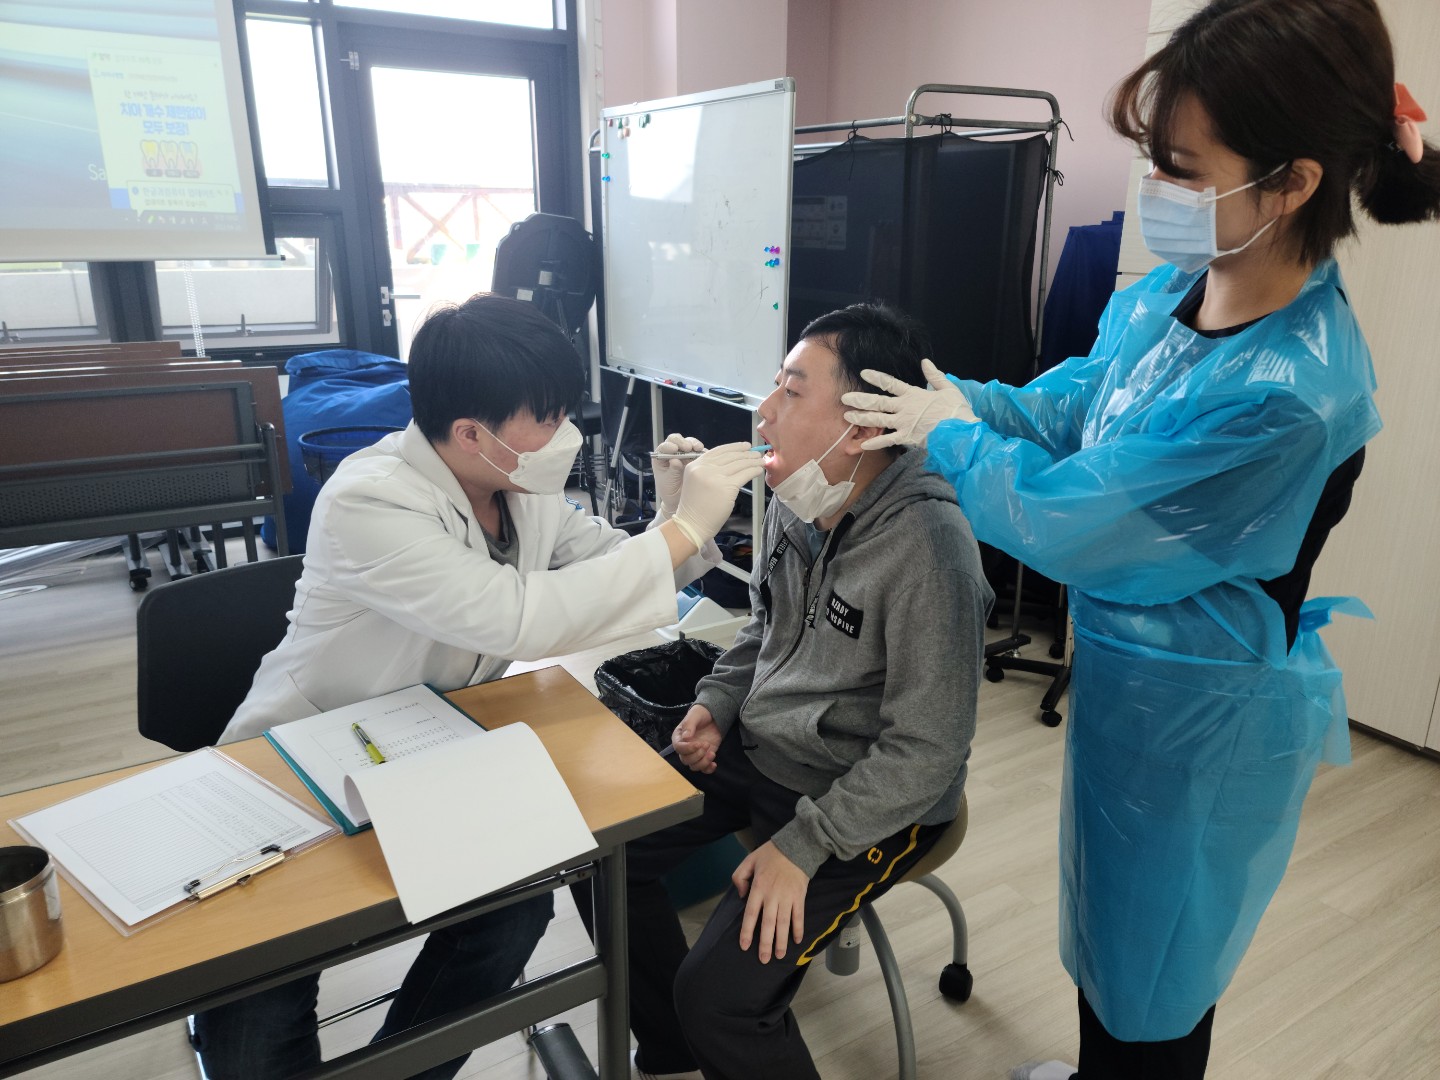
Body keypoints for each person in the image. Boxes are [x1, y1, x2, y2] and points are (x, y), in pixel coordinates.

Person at [840, 2, 1440, 1077]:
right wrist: (958, 399)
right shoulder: (1177, 292)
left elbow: (1076, 519)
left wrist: (953, 439)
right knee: (1105, 935)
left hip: (1199, 721)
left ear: (1292, 183)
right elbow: (1080, 410)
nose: (1156, 186)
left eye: (1183, 168)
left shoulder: (1292, 394)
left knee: (1154, 977)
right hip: (1131, 687)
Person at [195, 293, 763, 1080]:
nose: (566, 433)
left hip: (426, 752)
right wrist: (683, 528)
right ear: (471, 433)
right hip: (301, 762)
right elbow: (517, 618)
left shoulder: (518, 489)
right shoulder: (371, 498)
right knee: (263, 997)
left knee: (513, 914)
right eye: (549, 417)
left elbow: (607, 567)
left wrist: (672, 515)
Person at [578, 302, 993, 1080]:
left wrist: (803, 846)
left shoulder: (929, 549)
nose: (763, 412)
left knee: (719, 999)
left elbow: (928, 748)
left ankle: (700, 1028)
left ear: (863, 426)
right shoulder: (803, 498)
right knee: (603, 856)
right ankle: (671, 1047)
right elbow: (765, 629)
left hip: (867, 797)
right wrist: (716, 703)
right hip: (767, 750)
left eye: (792, 392)